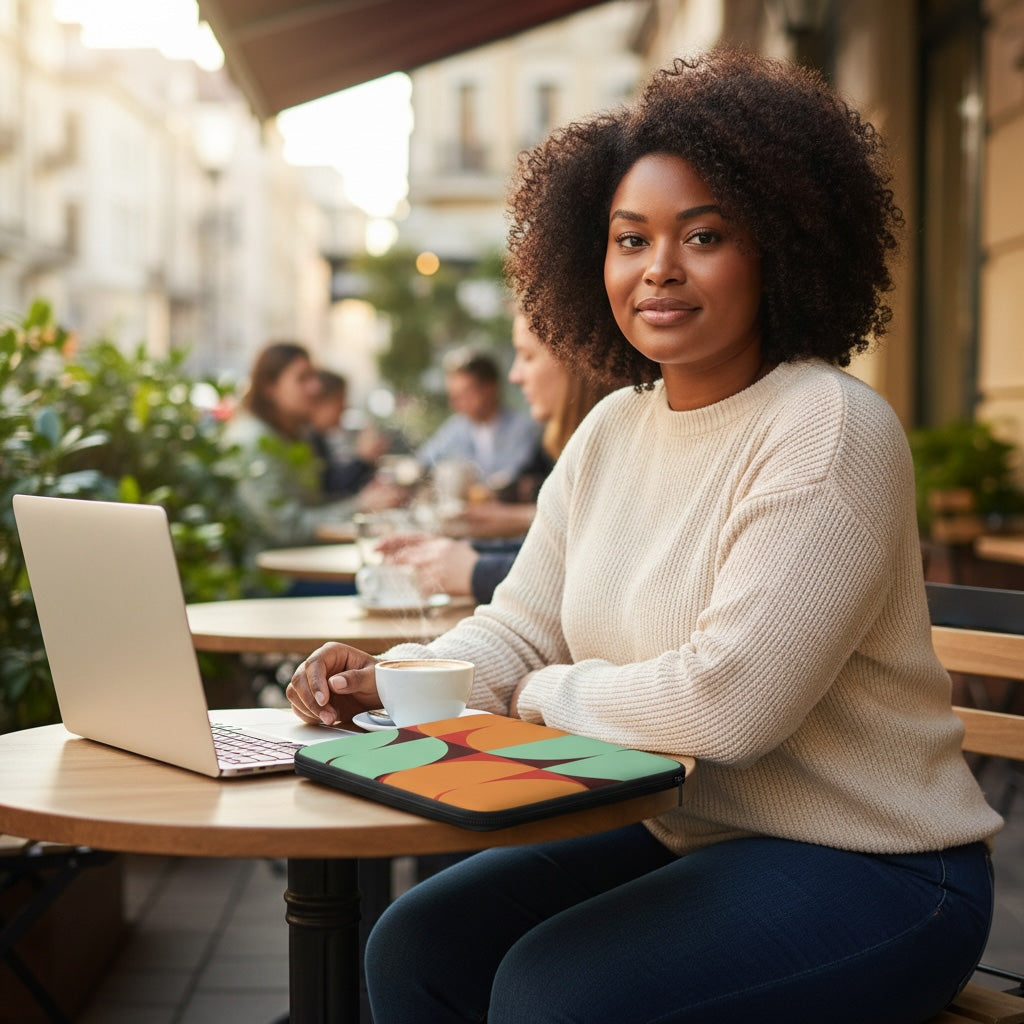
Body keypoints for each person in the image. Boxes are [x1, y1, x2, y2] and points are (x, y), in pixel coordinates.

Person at [287, 51, 1001, 1024]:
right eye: (630, 239)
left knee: (551, 993)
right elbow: (522, 624)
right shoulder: (614, 426)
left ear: (781, 247)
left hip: (879, 866)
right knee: (418, 943)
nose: (658, 267)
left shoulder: (827, 428)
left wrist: (535, 699)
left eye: (703, 235)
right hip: (684, 830)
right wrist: (396, 671)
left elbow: (727, 705)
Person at [377, 312, 622, 603]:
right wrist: (454, 552)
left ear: (575, 360)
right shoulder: (458, 429)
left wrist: (473, 568)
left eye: (527, 356)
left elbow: (577, 574)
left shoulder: (531, 432)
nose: (515, 376)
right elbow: (545, 552)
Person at [223, 342, 403, 555]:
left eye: (313, 377)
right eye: (302, 378)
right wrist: (359, 505)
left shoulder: (295, 435)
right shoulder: (251, 441)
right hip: (275, 577)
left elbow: (315, 505)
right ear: (269, 387)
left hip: (303, 559)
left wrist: (367, 501)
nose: (316, 387)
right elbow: (287, 529)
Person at [415, 348, 541, 494]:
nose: (455, 403)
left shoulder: (523, 429)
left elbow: (512, 476)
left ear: (490, 388)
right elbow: (425, 459)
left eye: (464, 393)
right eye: (453, 395)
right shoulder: (457, 427)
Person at [307, 369, 389, 498]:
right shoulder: (307, 438)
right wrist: (363, 458)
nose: (344, 407)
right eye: (340, 399)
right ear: (321, 401)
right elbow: (331, 489)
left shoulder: (320, 437)